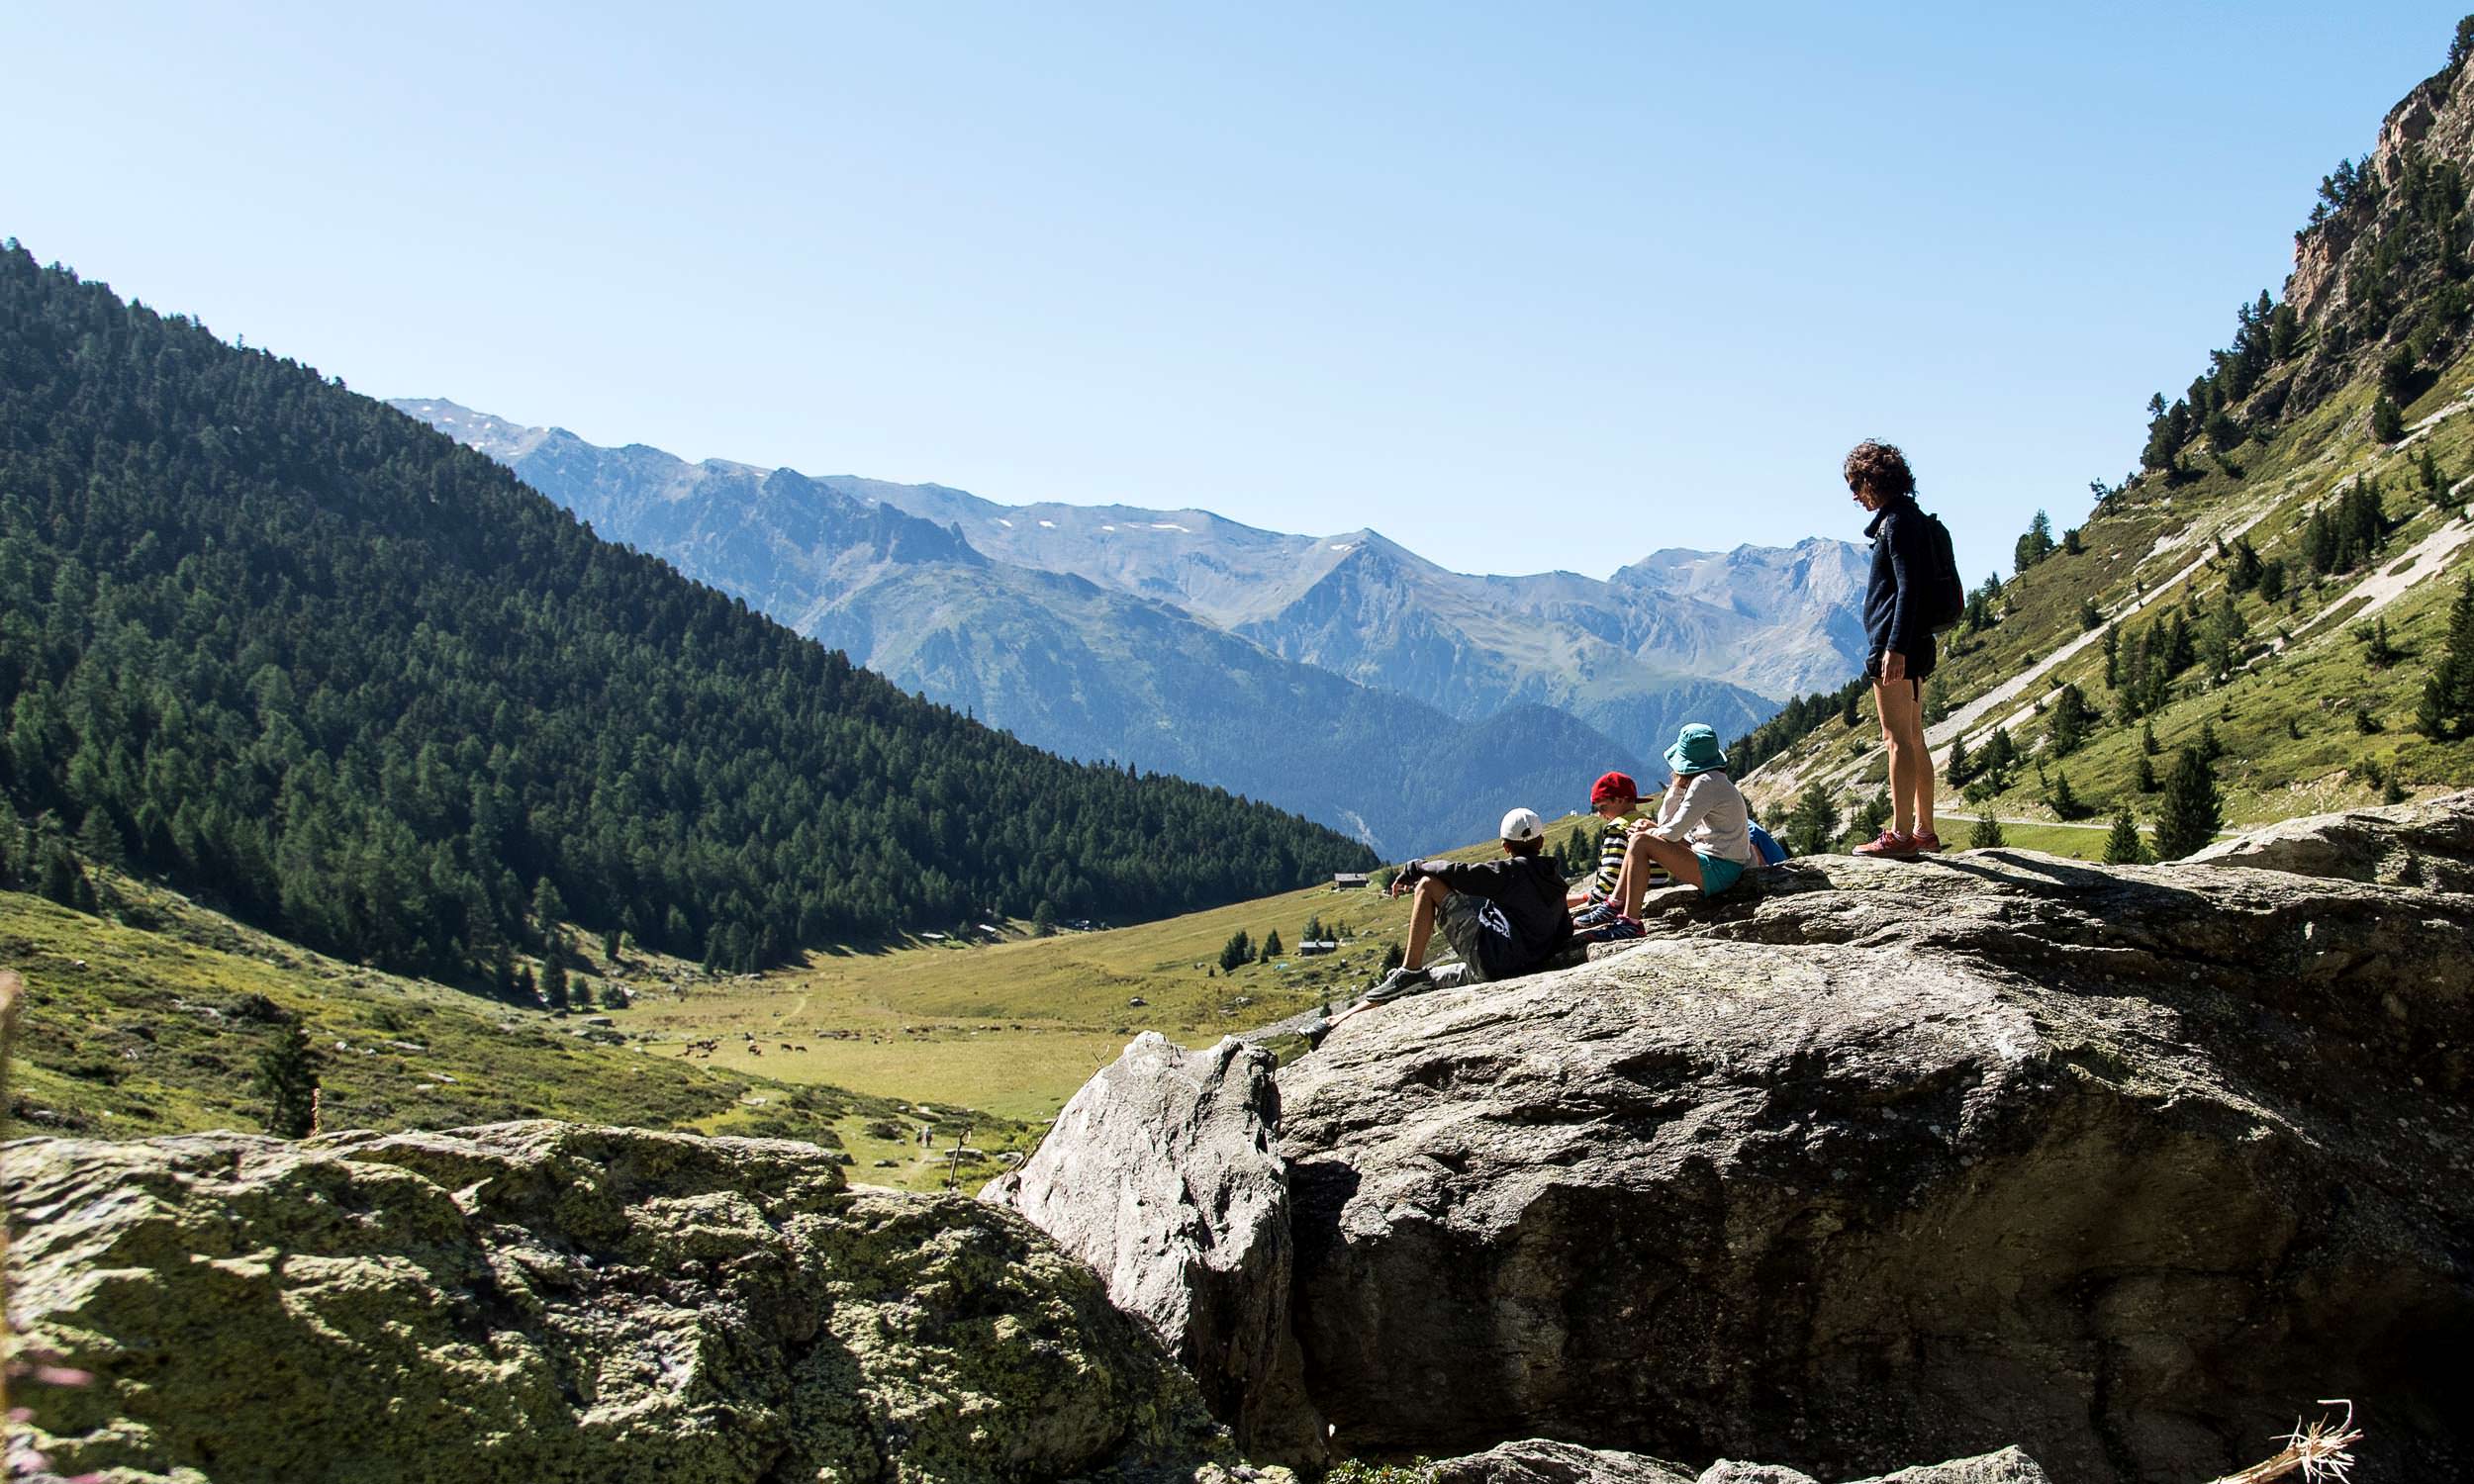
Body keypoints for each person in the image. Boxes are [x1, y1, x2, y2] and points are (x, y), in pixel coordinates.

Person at [1308, 807, 1574, 1045]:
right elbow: (1563, 932)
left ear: (1505, 846)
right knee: (1427, 982)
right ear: (1541, 841)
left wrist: (1414, 868)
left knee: (1426, 886)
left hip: (1490, 960)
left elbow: (1454, 872)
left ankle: (1409, 969)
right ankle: (1336, 1021)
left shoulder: (1506, 873)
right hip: (1513, 967)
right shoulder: (1555, 881)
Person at [1845, 438, 1941, 856]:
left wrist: (1894, 647)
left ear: (1872, 480)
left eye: (1856, 485)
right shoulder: (1911, 517)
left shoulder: (1897, 523)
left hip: (1896, 645)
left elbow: (1908, 588)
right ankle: (1924, 830)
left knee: (1896, 739)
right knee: (1914, 737)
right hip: (1913, 643)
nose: (1854, 495)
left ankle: (1901, 836)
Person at [1585, 723, 1759, 939]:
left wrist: (1651, 831)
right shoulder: (1713, 780)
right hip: (1720, 862)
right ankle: (1615, 904)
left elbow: (1672, 832)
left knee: (1640, 841)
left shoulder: (1704, 783)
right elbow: (1666, 822)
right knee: (1642, 838)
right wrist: (1676, 789)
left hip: (1720, 870)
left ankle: (1629, 920)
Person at [1570, 771, 1665, 923]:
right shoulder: (1649, 824)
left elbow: (1611, 876)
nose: (1600, 814)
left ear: (1620, 800)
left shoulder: (1616, 829)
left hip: (1625, 902)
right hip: (1656, 893)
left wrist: (1594, 901)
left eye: (1603, 807)